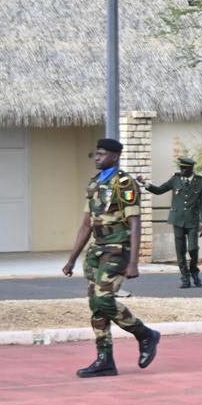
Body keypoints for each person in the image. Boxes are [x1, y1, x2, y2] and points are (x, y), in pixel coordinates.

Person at [62, 138, 160, 378]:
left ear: (115, 157)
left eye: (102, 154)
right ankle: (104, 359)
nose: (97, 158)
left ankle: (145, 334)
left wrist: (134, 262)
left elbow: (135, 224)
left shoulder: (124, 183)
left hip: (117, 249)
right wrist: (72, 259)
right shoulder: (95, 182)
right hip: (96, 250)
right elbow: (86, 225)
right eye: (96, 154)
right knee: (96, 306)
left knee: (104, 300)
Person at [138, 157, 202, 288]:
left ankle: (194, 270)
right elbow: (159, 190)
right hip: (177, 220)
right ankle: (185, 277)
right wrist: (144, 183)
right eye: (181, 168)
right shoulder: (175, 179)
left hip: (192, 220)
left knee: (193, 248)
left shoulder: (200, 181)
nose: (182, 170)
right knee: (180, 250)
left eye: (184, 168)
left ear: (191, 169)